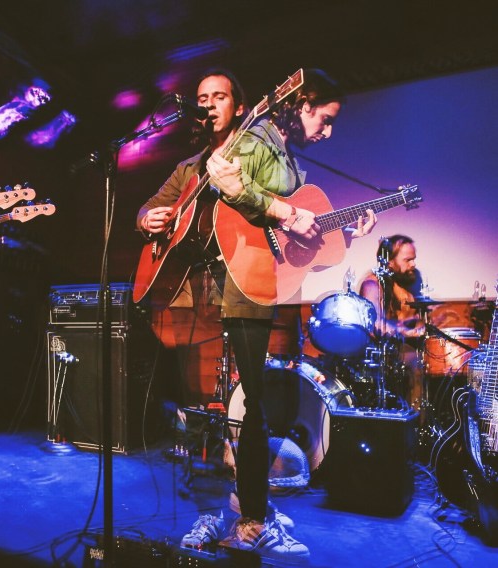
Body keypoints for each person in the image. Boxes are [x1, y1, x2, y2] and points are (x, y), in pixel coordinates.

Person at [137, 68, 377, 562]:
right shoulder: (192, 167)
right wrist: (147, 218)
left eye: (219, 96)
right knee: (205, 407)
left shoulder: (271, 152)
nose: (209, 104)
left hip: (250, 283)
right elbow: (156, 206)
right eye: (202, 97)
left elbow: (289, 231)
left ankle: (249, 515)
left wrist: (342, 232)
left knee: (253, 405)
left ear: (239, 106)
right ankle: (230, 511)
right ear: (303, 105)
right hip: (197, 291)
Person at [359, 234, 425, 408]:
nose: (413, 264)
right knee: (416, 361)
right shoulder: (373, 284)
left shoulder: (402, 284)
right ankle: (416, 419)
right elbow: (375, 324)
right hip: (380, 352)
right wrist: (407, 331)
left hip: (398, 347)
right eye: (408, 260)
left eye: (414, 259)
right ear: (389, 262)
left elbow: (401, 320)